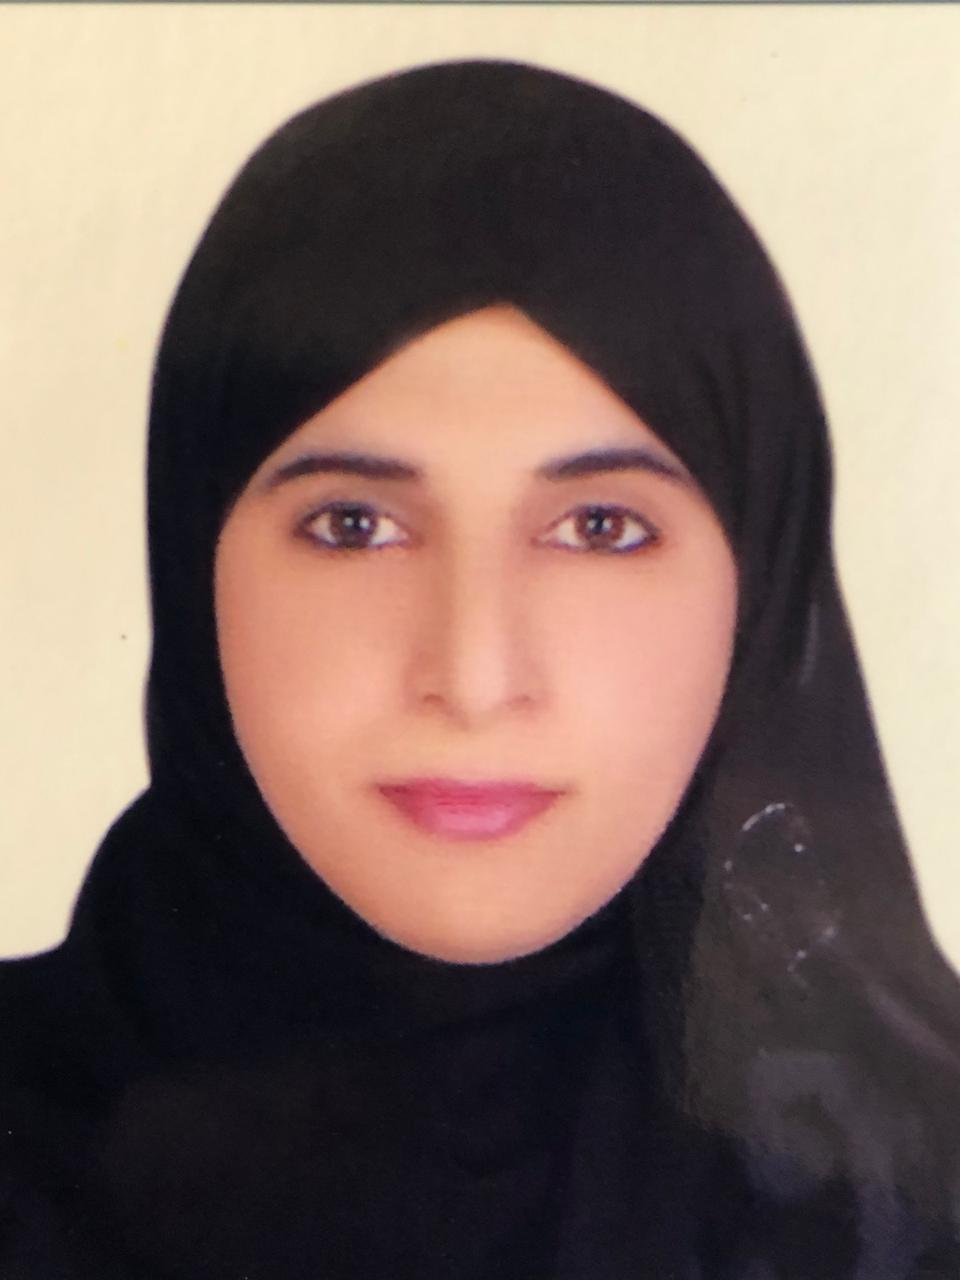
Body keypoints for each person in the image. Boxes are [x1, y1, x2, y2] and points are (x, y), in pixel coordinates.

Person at [2, 58, 959, 1279]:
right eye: (355, 524)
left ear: (758, 586)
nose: (472, 673)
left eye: (599, 526)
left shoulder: (916, 1193)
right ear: (195, 562)